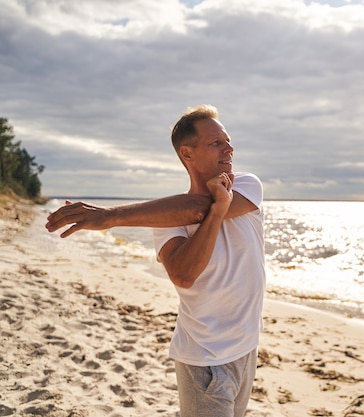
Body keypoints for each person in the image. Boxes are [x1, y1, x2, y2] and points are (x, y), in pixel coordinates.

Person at [46, 105, 265, 417]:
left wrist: (111, 216)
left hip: (246, 349)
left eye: (228, 140)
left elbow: (198, 208)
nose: (229, 148)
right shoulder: (165, 219)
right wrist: (217, 210)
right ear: (187, 154)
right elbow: (184, 275)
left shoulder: (248, 185)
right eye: (215, 143)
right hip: (204, 358)